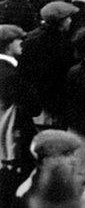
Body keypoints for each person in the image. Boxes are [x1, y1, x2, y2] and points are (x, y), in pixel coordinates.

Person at [0, 25, 33, 207]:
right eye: (18, 40)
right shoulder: (13, 75)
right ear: (7, 45)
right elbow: (32, 107)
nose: (22, 43)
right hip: (13, 142)